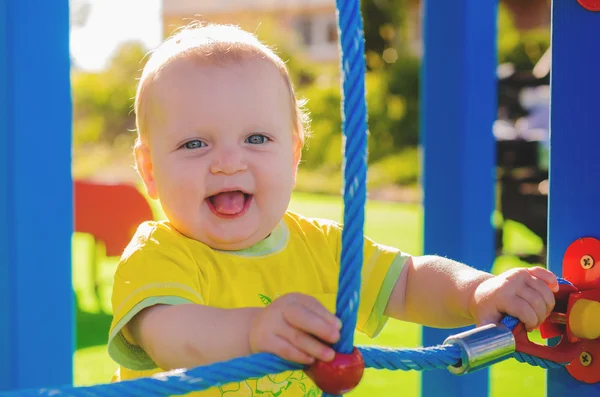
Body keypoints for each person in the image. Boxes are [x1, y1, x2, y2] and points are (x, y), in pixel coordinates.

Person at [108, 23, 559, 397]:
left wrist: (476, 292)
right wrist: (254, 331)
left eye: (257, 139)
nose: (229, 162)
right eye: (194, 144)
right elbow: (171, 337)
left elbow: (406, 282)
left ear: (293, 155)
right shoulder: (159, 254)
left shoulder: (321, 245)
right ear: (148, 169)